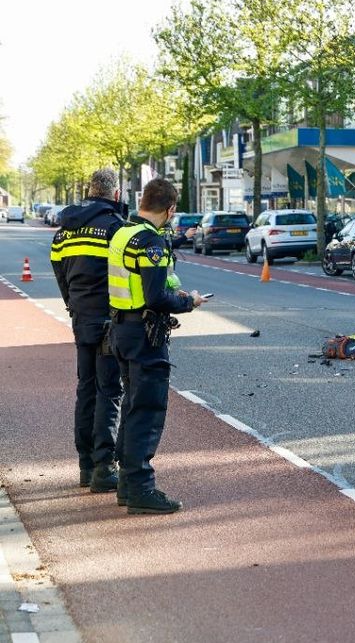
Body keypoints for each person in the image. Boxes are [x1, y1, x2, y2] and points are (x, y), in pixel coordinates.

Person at [108, 178, 208, 514]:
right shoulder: (150, 242)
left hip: (121, 329)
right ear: (170, 209)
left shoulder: (122, 233)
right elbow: (155, 296)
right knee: (147, 411)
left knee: (132, 408)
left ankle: (126, 484)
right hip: (144, 334)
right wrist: (188, 301)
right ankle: (140, 488)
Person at [50, 169, 128, 492]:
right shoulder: (115, 229)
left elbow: (59, 272)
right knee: (108, 390)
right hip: (109, 321)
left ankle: (85, 465)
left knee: (85, 388)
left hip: (81, 318)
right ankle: (103, 466)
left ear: (88, 191)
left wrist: (73, 304)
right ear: (116, 194)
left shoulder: (64, 232)